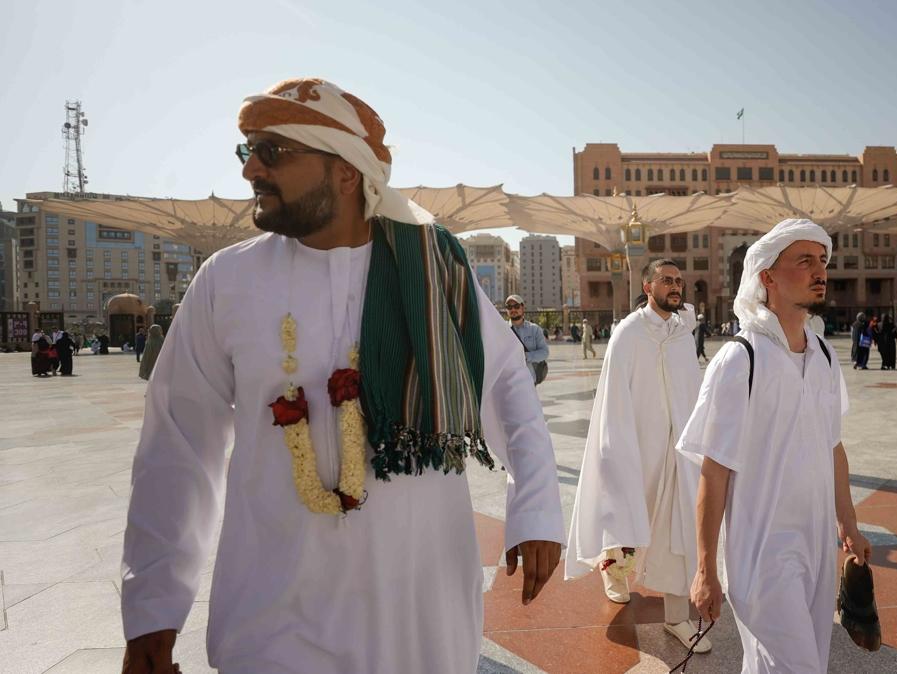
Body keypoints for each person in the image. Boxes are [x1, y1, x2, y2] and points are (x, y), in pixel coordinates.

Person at [120, 78, 565, 674]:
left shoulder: (435, 273)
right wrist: (153, 607)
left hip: (417, 623)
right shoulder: (227, 282)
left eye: (273, 151)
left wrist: (535, 507)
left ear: (347, 173)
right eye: (246, 150)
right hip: (272, 620)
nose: (251, 169)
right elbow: (176, 445)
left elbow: (508, 382)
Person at [682, 218, 870, 673]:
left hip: (817, 545)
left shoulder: (823, 355)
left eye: (822, 261)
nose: (819, 271)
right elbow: (715, 469)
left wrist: (849, 525)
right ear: (767, 276)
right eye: (804, 261)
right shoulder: (739, 360)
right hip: (763, 551)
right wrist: (706, 567)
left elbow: (833, 447)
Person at [566, 259, 712, 653]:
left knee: (678, 529)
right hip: (635, 448)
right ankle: (614, 575)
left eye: (679, 281)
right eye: (667, 280)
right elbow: (614, 399)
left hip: (677, 452)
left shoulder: (683, 334)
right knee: (626, 517)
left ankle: (677, 617)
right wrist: (617, 451)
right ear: (648, 286)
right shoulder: (628, 334)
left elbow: (694, 391)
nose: (675, 286)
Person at [506, 294, 550, 386]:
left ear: (523, 308)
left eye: (516, 306)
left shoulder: (534, 329)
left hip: (529, 381)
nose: (513, 309)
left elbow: (544, 352)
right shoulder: (502, 329)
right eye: (509, 307)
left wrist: (526, 356)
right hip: (508, 383)